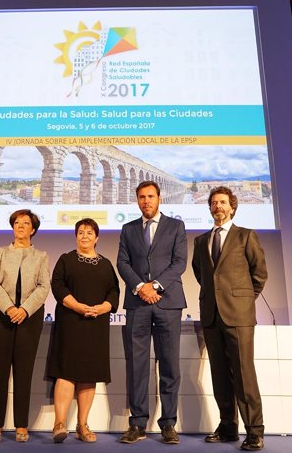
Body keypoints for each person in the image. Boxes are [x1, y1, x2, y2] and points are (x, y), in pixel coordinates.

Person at [191, 186, 268, 451]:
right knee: (220, 374)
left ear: (232, 206)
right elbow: (201, 274)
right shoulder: (201, 241)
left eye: (223, 202)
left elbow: (259, 274)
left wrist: (243, 300)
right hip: (211, 315)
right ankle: (227, 427)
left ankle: (255, 431)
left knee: (244, 373)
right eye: (213, 203)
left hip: (239, 315)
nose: (218, 206)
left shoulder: (246, 236)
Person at [117, 180, 187, 445]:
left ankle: (169, 423)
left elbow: (179, 262)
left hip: (167, 303)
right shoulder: (128, 228)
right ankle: (137, 424)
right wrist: (139, 287)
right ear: (137, 200)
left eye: (150, 196)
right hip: (138, 304)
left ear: (159, 198)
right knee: (137, 366)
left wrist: (154, 286)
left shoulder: (176, 226)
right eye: (141, 197)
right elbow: (122, 262)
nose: (146, 201)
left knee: (169, 364)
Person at [46, 218, 119, 444]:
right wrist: (77, 306)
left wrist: (103, 308)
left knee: (89, 375)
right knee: (66, 372)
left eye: (89, 232)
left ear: (97, 238)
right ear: (76, 236)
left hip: (96, 325)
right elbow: (57, 286)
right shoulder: (66, 260)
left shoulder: (106, 264)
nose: (85, 236)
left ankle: (82, 425)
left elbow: (114, 292)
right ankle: (59, 424)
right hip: (70, 321)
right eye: (81, 232)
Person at [0, 209, 50, 443]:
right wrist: (9, 308)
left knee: (24, 372)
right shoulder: (0, 252)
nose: (20, 226)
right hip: (1, 317)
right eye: (17, 222)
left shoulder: (41, 256)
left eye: (26, 223)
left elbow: (44, 287)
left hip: (29, 319)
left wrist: (24, 309)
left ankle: (21, 424)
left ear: (33, 230)